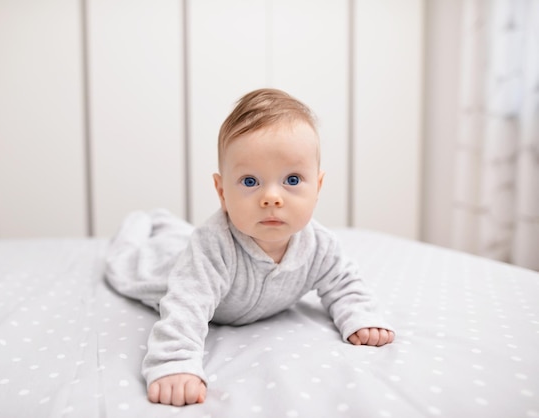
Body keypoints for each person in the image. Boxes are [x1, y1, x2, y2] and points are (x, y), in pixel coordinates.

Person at [105, 88, 395, 407]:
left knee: (180, 236)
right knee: (128, 263)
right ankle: (143, 223)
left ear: (318, 187)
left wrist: (361, 316)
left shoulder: (319, 246)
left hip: (198, 255)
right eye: (250, 182)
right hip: (169, 270)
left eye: (293, 180)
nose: (271, 197)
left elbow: (344, 283)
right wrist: (173, 364)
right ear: (222, 191)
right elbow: (185, 305)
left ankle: (166, 223)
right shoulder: (214, 246)